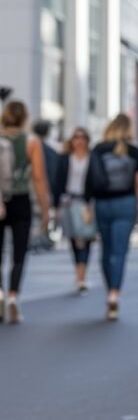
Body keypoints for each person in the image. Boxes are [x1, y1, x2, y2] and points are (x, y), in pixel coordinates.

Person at [85, 113, 138, 321]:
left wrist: (87, 205)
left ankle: (108, 290)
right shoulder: (135, 151)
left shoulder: (98, 149)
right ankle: (114, 293)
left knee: (106, 250)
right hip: (126, 204)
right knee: (119, 252)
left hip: (102, 204)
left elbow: (89, 180)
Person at [0, 100, 51, 324]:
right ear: (25, 118)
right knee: (19, 254)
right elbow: (38, 178)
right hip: (21, 201)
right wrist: (46, 209)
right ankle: (13, 297)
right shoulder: (31, 142)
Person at [54, 127, 95, 293]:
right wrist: (56, 205)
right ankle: (78, 271)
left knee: (86, 237)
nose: (79, 141)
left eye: (82, 137)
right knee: (73, 238)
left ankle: (82, 274)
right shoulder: (65, 159)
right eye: (76, 137)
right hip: (68, 201)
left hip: (86, 202)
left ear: (87, 140)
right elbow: (57, 181)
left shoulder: (92, 158)